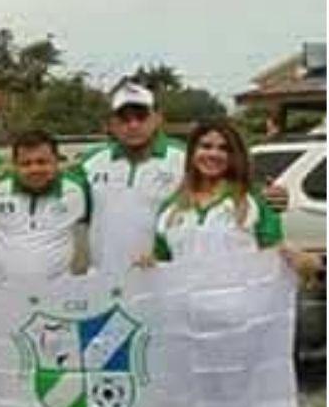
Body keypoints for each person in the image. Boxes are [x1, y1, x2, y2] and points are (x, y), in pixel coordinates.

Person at [95, 120, 303, 407]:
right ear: (191, 153)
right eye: (204, 146)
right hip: (178, 327)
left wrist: (294, 259)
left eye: (221, 147)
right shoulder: (174, 207)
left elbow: (270, 257)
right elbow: (166, 258)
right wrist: (150, 263)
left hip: (233, 331)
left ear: (234, 155)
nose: (211, 153)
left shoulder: (251, 203)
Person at [76, 81, 287, 276]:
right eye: (124, 118)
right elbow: (54, 190)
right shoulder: (90, 162)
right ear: (111, 123)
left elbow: (238, 184)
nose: (133, 125)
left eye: (141, 116)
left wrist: (271, 197)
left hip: (163, 281)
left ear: (158, 117)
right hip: (104, 282)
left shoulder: (186, 157)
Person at [0, 130, 90, 282]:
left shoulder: (77, 189)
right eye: (26, 164)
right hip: (3, 290)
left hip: (57, 290)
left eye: (42, 162)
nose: (35, 169)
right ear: (15, 165)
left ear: (56, 161)